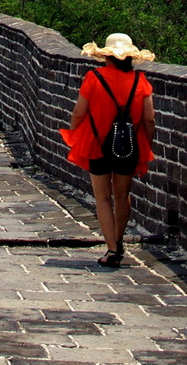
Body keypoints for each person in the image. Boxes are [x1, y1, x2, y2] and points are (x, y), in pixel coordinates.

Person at [61, 33, 156, 269]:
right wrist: (147, 143)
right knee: (122, 195)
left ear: (107, 57)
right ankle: (119, 240)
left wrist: (74, 132)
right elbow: (149, 119)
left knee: (102, 198)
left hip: (96, 145)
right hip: (127, 146)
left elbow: (79, 113)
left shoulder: (94, 77)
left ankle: (112, 249)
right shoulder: (140, 81)